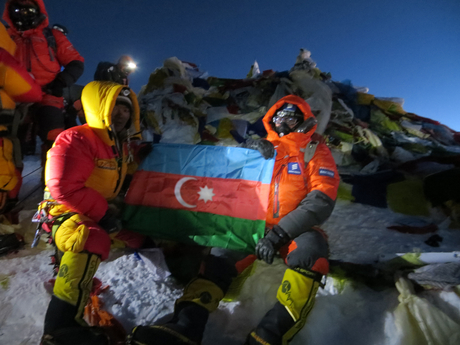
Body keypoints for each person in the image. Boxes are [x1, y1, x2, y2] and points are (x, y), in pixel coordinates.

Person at [127, 94, 340, 345]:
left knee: (311, 255)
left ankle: (268, 337)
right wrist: (242, 153)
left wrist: (279, 235)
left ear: (303, 120)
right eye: (279, 116)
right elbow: (220, 177)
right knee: (218, 258)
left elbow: (321, 199)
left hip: (295, 228)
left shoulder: (314, 150)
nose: (285, 122)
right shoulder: (260, 148)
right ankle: (183, 328)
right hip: (253, 223)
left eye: (292, 117)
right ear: (271, 120)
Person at [37, 81, 143, 345]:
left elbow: (122, 174)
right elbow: (63, 187)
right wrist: (104, 214)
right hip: (65, 211)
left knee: (142, 237)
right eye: (115, 106)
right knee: (90, 237)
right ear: (100, 108)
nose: (121, 114)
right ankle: (59, 327)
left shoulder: (118, 145)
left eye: (127, 110)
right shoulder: (77, 138)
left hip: (99, 209)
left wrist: (142, 158)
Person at [2, 0, 84, 166]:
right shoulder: (4, 36)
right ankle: (8, 187)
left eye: (29, 9)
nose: (23, 14)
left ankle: (53, 184)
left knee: (54, 137)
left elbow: (76, 62)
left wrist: (61, 83)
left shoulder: (52, 36)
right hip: (13, 96)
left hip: (48, 94)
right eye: (18, 9)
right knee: (7, 143)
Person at [0, 21, 42, 214]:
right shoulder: (3, 59)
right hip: (4, 129)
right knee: (11, 154)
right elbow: (31, 92)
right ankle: (9, 204)